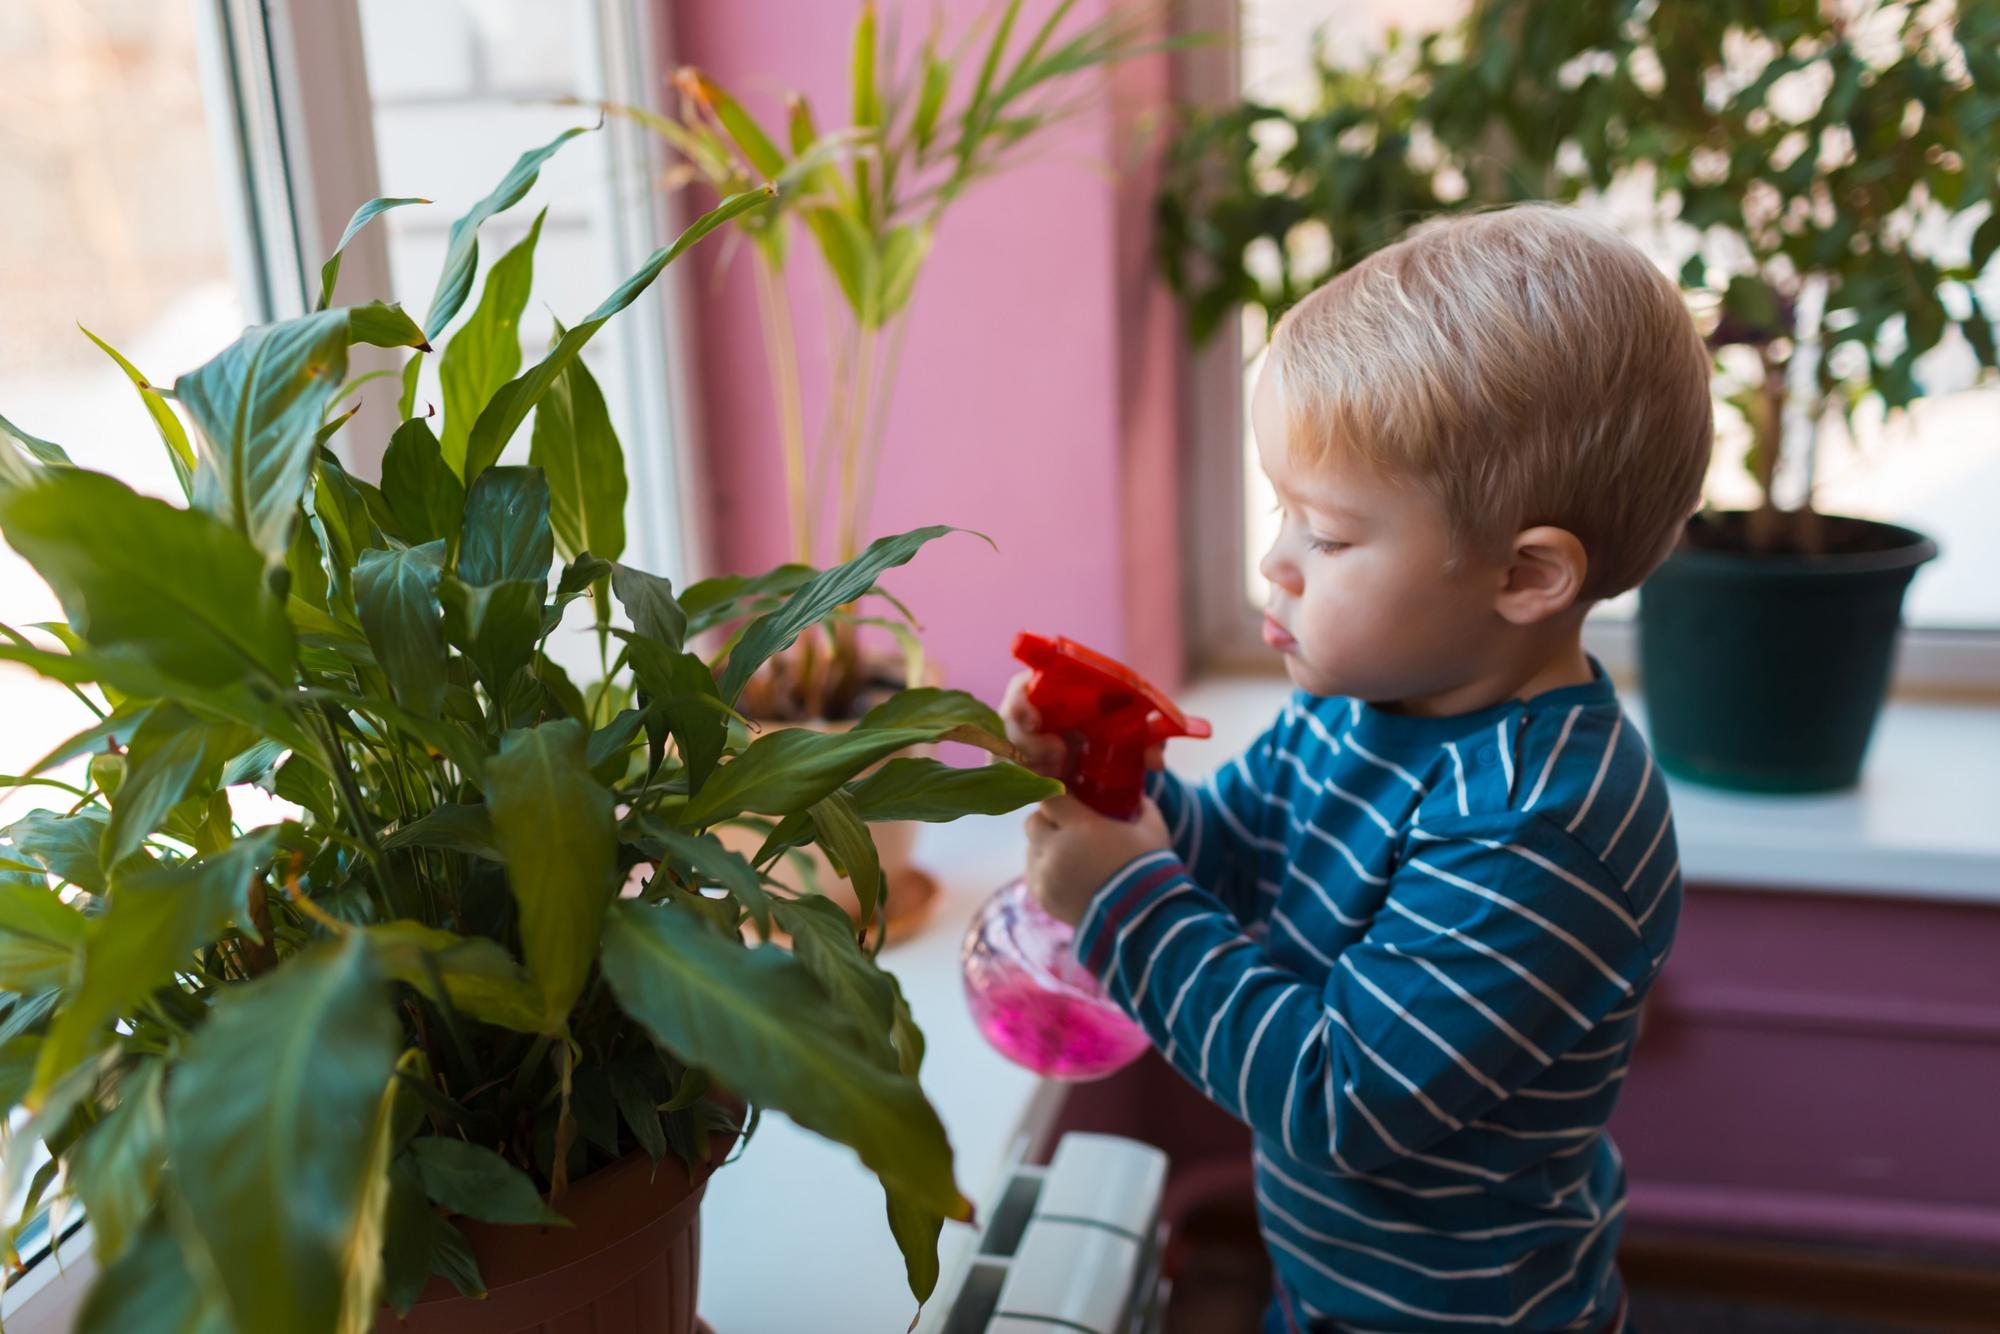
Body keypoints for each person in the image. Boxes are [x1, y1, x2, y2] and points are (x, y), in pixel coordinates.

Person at [1004, 205, 1712, 1333]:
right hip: (1328, 1285)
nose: (1272, 564)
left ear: (1524, 573)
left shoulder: (1539, 822)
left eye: (1325, 536)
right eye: (1280, 510)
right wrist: (1116, 780)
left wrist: (1120, 900)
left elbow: (1340, 1097)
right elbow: (1240, 864)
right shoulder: (1363, 704)